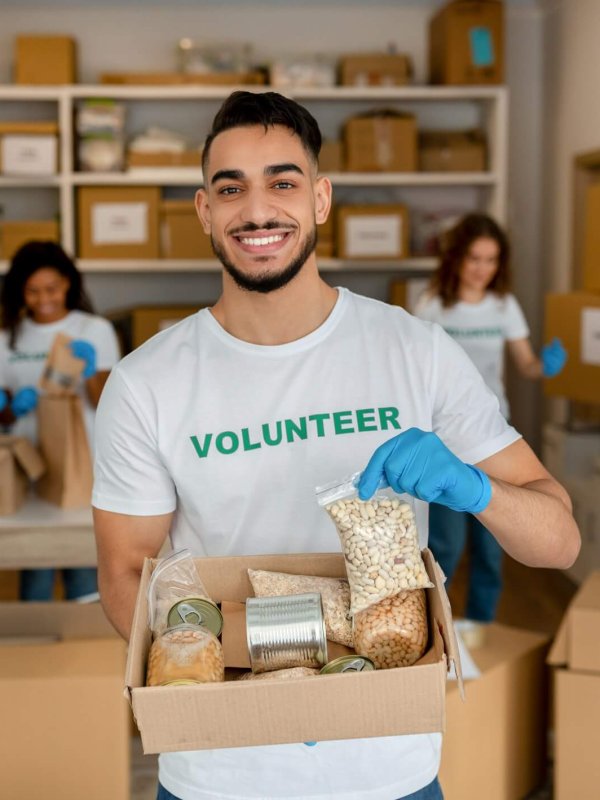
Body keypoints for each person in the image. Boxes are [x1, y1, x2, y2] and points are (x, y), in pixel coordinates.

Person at [92, 91, 579, 800]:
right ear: (205, 211)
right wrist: (284, 681)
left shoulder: (418, 352)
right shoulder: (145, 384)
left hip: (388, 769)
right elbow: (125, 578)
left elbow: (558, 542)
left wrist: (476, 490)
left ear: (320, 199)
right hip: (221, 772)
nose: (257, 211)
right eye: (231, 189)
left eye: (283, 182)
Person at [413, 213, 567, 624]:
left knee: (490, 549)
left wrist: (544, 367)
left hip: (494, 440)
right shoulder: (433, 305)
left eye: (492, 259)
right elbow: (415, 374)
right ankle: (438, 633)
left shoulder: (504, 306)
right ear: (457, 258)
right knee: (444, 547)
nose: (482, 269)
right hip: (444, 441)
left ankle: (481, 631)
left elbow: (526, 364)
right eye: (475, 258)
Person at [0, 240, 120, 601]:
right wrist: (9, 407)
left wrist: (88, 373)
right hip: (30, 471)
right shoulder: (8, 337)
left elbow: (110, 404)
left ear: (69, 283)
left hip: (83, 469)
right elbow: (2, 413)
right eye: (33, 291)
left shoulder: (94, 330)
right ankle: (41, 648)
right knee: (36, 572)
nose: (43, 299)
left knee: (84, 572)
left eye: (51, 288)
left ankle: (82, 649)